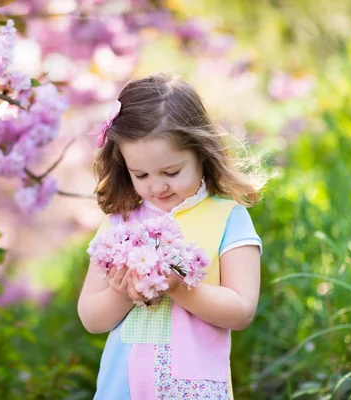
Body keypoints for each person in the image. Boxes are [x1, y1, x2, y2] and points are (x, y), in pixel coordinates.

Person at [77, 73, 266, 399]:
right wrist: (122, 293)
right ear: (125, 166)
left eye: (172, 172)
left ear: (200, 154)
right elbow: (91, 317)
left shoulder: (228, 219)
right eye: (142, 175)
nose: (158, 186)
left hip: (193, 389)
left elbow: (241, 308)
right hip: (122, 389)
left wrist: (179, 287)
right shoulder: (119, 223)